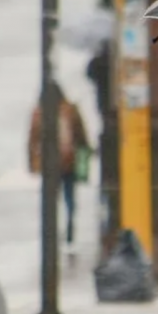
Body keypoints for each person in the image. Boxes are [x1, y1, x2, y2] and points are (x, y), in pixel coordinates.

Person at [28, 87, 90, 246]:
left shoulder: (39, 114)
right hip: (68, 161)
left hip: (50, 164)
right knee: (69, 198)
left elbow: (32, 140)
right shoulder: (70, 110)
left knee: (51, 199)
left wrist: (33, 163)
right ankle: (68, 225)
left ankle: (53, 230)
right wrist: (85, 151)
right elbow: (81, 135)